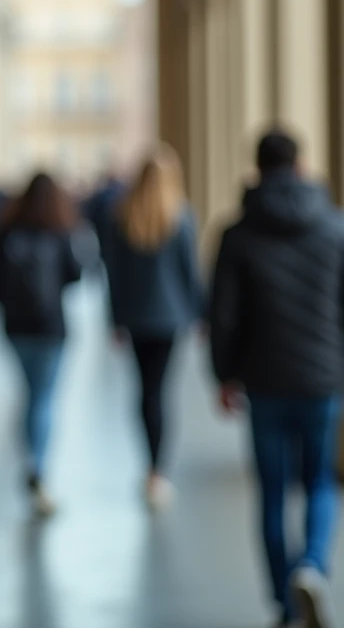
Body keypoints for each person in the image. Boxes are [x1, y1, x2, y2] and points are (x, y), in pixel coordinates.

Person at [210, 130, 344, 628]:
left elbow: (223, 315)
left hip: (264, 380)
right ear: (301, 166)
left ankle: (283, 604)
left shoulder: (237, 234)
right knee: (319, 481)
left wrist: (224, 375)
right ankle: (312, 564)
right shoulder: (335, 228)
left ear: (257, 169)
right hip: (322, 378)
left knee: (271, 492)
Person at [102, 145, 203, 511]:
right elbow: (189, 273)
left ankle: (149, 465)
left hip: (135, 317)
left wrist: (113, 318)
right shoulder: (181, 218)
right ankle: (158, 471)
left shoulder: (121, 218)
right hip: (170, 318)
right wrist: (200, 314)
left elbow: (113, 274)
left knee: (145, 391)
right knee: (160, 391)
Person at [0, 173, 84, 517]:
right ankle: (39, 468)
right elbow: (75, 273)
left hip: (16, 327)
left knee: (29, 393)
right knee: (44, 398)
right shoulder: (61, 230)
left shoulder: (7, 231)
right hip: (51, 326)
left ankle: (30, 458)